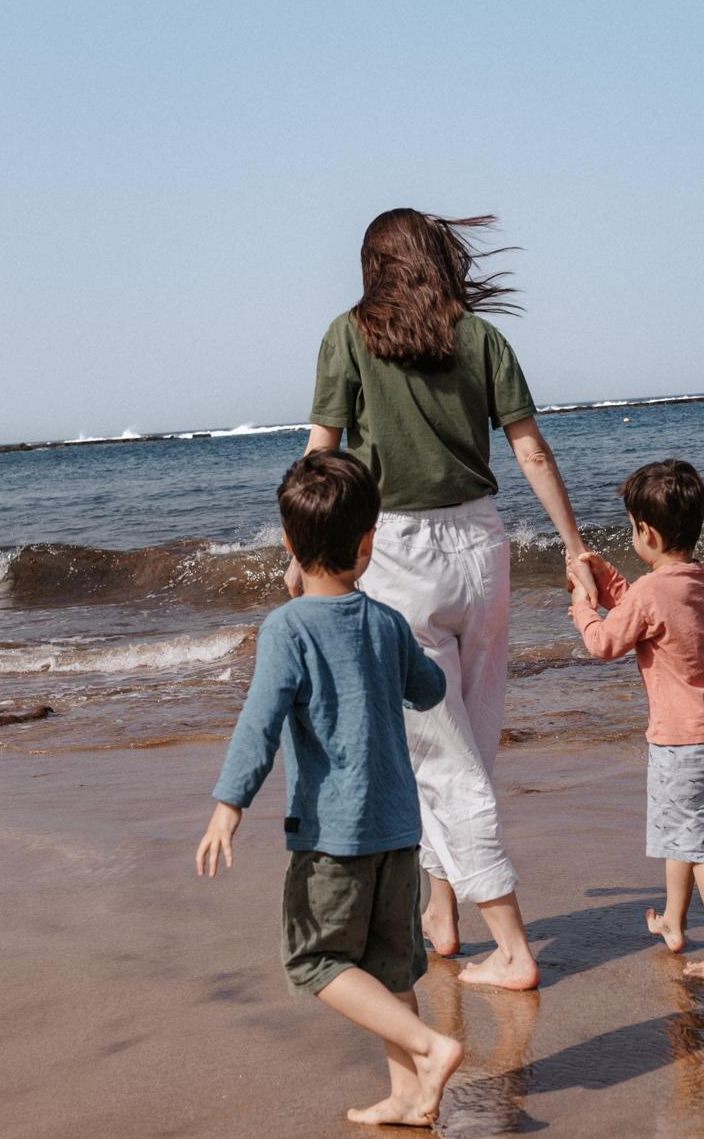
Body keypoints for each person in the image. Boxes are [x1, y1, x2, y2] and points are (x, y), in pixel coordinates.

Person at [295, 208, 595, 991]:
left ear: (372, 265)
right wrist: (574, 547)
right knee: (468, 746)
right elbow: (530, 446)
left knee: (442, 756)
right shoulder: (481, 336)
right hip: (484, 548)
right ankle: (441, 913)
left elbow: (319, 457)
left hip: (397, 555)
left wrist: (299, 553)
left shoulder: (347, 333)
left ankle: (515, 945)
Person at [197, 450, 463, 1127]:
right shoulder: (385, 623)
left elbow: (258, 724)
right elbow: (428, 690)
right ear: (367, 545)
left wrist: (228, 806)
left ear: (288, 544)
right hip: (401, 834)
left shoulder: (287, 628)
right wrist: (415, 642)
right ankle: (410, 1094)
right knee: (391, 967)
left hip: (334, 837)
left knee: (314, 958)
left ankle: (428, 1047)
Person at [569, 458, 704, 981]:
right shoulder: (696, 580)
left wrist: (584, 605)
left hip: (681, 743)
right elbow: (650, 614)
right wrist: (609, 581)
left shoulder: (653, 592)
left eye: (631, 528)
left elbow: (606, 642)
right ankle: (673, 920)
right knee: (686, 835)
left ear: (645, 532)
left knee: (699, 846)